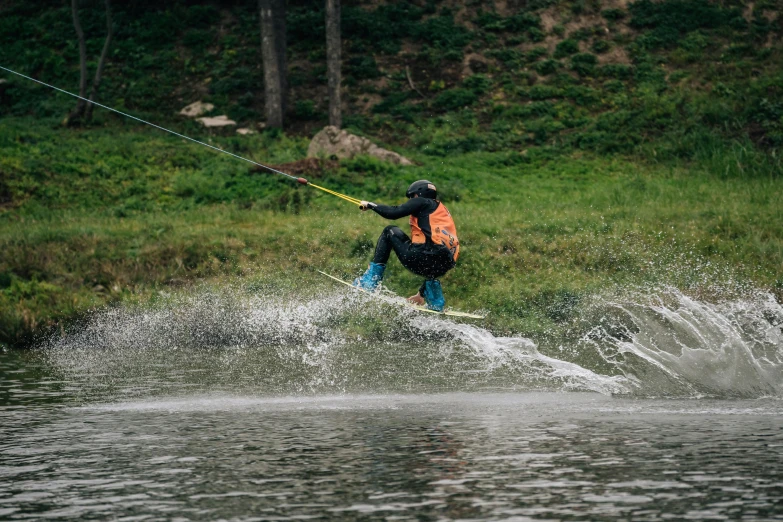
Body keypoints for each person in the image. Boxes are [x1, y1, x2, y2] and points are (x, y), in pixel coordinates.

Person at [354, 180, 459, 312]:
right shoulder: (441, 211)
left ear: (419, 194)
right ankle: (435, 300)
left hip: (420, 257)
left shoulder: (422, 201)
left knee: (389, 231)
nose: (411, 200)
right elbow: (435, 256)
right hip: (443, 264)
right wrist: (420, 295)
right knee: (431, 256)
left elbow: (394, 212)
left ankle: (370, 281)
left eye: (412, 196)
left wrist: (371, 205)